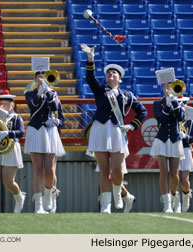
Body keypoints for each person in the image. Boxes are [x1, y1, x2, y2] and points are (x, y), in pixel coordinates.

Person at [81, 43, 147, 214]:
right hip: (100, 129)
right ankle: (106, 205)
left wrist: (133, 125)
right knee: (103, 169)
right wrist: (90, 58)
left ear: (120, 79)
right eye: (109, 73)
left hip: (117, 131)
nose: (111, 74)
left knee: (117, 169)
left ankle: (119, 194)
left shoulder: (128, 95)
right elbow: (89, 78)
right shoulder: (100, 90)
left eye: (115, 73)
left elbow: (142, 111)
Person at [24, 68, 65, 214]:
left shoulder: (53, 94)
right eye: (39, 78)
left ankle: (50, 196)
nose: (41, 80)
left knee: (49, 170)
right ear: (35, 80)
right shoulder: (29, 93)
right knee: (37, 169)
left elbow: (57, 112)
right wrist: (40, 92)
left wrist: (47, 92)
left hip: (49, 132)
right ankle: (38, 205)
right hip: (35, 130)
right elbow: (32, 105)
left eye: (44, 77)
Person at [150, 78, 185, 213]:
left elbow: (181, 117)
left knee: (174, 174)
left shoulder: (179, 103)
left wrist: (174, 101)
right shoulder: (157, 104)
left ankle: (176, 199)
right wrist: (167, 105)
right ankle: (167, 204)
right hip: (162, 139)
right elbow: (161, 119)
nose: (169, 89)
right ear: (164, 89)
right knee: (163, 171)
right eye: (167, 87)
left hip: (175, 140)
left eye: (172, 87)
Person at [172, 95, 193, 213]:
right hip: (175, 149)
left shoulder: (190, 121)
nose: (182, 105)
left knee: (184, 180)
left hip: (185, 149)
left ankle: (186, 196)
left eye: (184, 103)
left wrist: (185, 136)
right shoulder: (173, 117)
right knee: (175, 178)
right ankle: (176, 204)